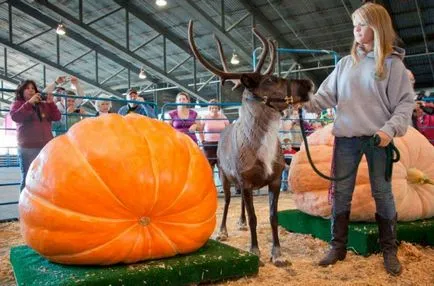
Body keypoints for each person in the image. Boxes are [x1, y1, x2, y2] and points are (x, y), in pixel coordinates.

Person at [300, 2, 414, 276]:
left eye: (362, 24)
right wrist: (303, 102)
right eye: (355, 24)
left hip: (378, 140)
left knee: (382, 193)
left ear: (378, 27)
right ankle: (337, 247)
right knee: (340, 193)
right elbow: (324, 98)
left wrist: (389, 130)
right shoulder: (345, 64)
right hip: (347, 139)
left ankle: (389, 249)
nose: (356, 29)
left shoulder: (392, 64)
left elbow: (404, 104)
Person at [10, 80, 61, 191]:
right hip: (28, 147)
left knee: (46, 176)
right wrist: (29, 104)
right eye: (27, 88)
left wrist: (51, 103)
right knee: (27, 177)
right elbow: (16, 117)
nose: (31, 90)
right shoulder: (17, 103)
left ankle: (42, 204)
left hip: (46, 147)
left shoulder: (43, 105)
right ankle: (24, 206)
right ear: (22, 91)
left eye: (33, 88)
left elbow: (57, 117)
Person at [198, 99, 230, 168]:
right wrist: (202, 141)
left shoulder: (223, 117)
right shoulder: (205, 117)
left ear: (218, 108)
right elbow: (200, 130)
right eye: (212, 108)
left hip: (221, 144)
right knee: (209, 167)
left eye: (215, 108)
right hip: (209, 145)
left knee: (222, 167)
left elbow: (228, 129)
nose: (214, 109)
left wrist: (227, 141)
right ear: (209, 108)